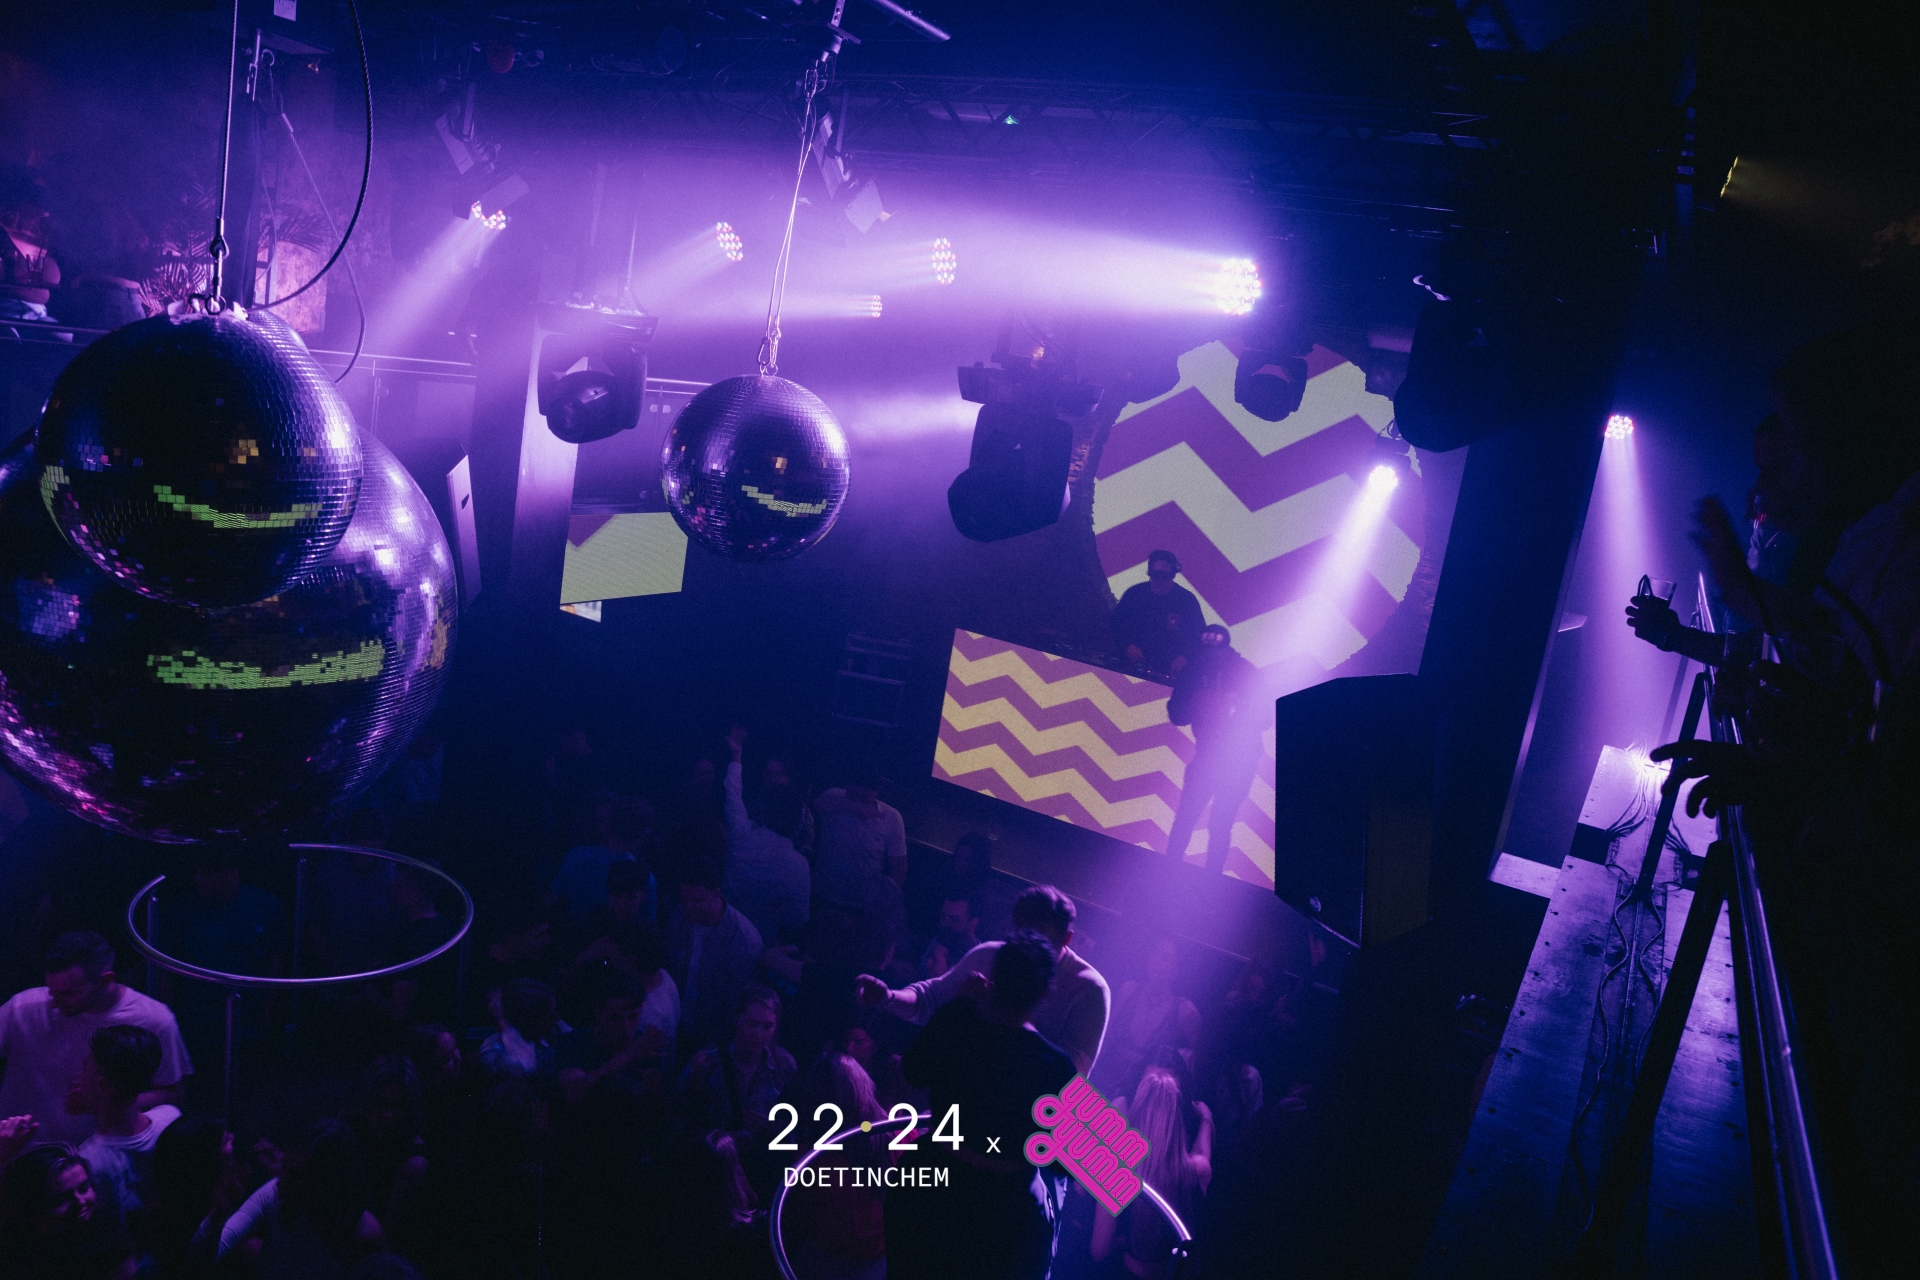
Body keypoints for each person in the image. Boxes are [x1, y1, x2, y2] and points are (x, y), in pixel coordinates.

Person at [884, 931, 1077, 1280]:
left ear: (994, 977)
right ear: (1044, 993)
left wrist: (961, 1006)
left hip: (930, 1192)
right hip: (1006, 1216)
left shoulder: (957, 1018)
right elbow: (1067, 1162)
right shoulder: (1055, 1065)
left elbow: (914, 1071)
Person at [857, 884, 1111, 1077]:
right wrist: (888, 997)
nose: (1027, 947)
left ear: (1067, 939)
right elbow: (930, 999)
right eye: (1021, 935)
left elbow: (1069, 1079)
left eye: (1041, 940)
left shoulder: (1089, 988)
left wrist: (983, 1011)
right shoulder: (990, 956)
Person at [0, 933, 191, 1146]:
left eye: (68, 993)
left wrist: (108, 1100)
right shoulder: (21, 1008)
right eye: (51, 991)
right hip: (16, 1151)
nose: (54, 1003)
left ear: (105, 980)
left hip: (97, 1156)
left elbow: (174, 1095)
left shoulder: (153, 1020)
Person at [214, 1118, 387, 1273]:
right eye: (284, 1168)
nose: (280, 1182)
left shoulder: (364, 1234)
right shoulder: (274, 1194)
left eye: (296, 1175)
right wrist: (221, 1211)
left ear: (330, 1182)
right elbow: (219, 1246)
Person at [1089, 1067, 1212, 1280]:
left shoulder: (1115, 1175)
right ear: (1177, 1120)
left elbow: (1099, 1252)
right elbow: (1202, 1152)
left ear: (1136, 1113)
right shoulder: (1198, 1170)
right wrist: (1206, 1120)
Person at [1164, 623, 1262, 873]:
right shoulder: (1193, 671)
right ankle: (1168, 872)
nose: (1209, 658)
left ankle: (1210, 881)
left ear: (1227, 651)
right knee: (1186, 818)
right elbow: (1177, 715)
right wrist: (1196, 703)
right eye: (1205, 653)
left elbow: (1265, 719)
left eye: (1215, 653)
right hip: (1207, 757)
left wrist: (1234, 709)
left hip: (1240, 760)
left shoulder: (1245, 672)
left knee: (1219, 823)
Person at [784, 1051, 889, 1280]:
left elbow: (797, 1215)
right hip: (882, 1258)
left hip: (828, 1260)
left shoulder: (809, 1157)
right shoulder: (900, 1136)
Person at [68, 1025, 181, 1226]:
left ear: (102, 1084)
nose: (79, 1075)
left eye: (85, 1067)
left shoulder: (87, 1161)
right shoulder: (171, 1118)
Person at [721, 728, 811, 946]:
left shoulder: (740, 835)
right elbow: (797, 919)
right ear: (797, 821)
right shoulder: (799, 866)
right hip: (764, 940)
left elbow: (732, 794)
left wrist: (736, 755)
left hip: (724, 927)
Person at [666, 860, 765, 1058]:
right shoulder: (679, 916)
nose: (688, 906)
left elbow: (738, 1008)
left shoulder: (743, 941)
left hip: (711, 1042)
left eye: (697, 900)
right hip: (675, 1025)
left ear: (716, 894)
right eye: (684, 898)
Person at [676, 986, 797, 1147]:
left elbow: (798, 1126)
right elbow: (674, 1121)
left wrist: (774, 1128)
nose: (758, 1034)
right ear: (736, 1019)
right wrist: (715, 1139)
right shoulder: (705, 1063)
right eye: (751, 1024)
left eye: (767, 1026)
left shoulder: (785, 1065)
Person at [0, 1145, 135, 1280]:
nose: (80, 1202)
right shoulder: (16, 1265)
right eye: (61, 1199)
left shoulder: (106, 1235)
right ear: (30, 1209)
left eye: (84, 1188)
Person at [1093, 937, 1202, 1100]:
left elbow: (1193, 1063)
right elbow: (1105, 1035)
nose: (1155, 961)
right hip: (1102, 1080)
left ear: (1177, 969)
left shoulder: (1185, 1010)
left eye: (1165, 958)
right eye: (1154, 953)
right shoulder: (1129, 990)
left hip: (1141, 1097)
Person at [556, 970, 671, 1106]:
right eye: (616, 1018)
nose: (626, 1027)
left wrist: (653, 1094)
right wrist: (629, 1055)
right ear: (598, 1013)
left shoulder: (648, 1047)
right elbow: (572, 1093)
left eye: (633, 1016)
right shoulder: (574, 1042)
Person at [547, 796, 657, 926]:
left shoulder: (575, 856)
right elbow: (648, 927)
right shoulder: (645, 878)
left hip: (572, 935)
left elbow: (550, 903)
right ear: (643, 833)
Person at [811, 767, 907, 913]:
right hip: (823, 896)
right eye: (855, 794)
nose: (860, 798)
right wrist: (854, 806)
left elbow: (899, 869)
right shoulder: (834, 797)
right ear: (848, 786)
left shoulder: (892, 817)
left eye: (865, 796)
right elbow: (817, 804)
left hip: (863, 907)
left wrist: (880, 904)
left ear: (877, 790)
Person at [1111, 550, 1206, 678]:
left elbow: (1198, 634)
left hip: (1171, 666)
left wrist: (1185, 657)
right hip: (1134, 662)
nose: (1159, 582)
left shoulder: (1186, 600)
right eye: (1156, 576)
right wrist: (1128, 646)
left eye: (1164, 577)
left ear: (1172, 575)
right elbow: (1116, 624)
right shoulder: (1134, 594)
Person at [477, 979, 565, 1082]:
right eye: (549, 1014)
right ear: (529, 1018)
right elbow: (524, 1070)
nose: (557, 1018)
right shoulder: (492, 1048)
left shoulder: (555, 1036)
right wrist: (503, 1021)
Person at [920, 894, 982, 980]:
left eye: (954, 919)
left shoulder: (982, 958)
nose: (944, 923)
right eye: (943, 916)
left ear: (973, 924)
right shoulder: (937, 941)